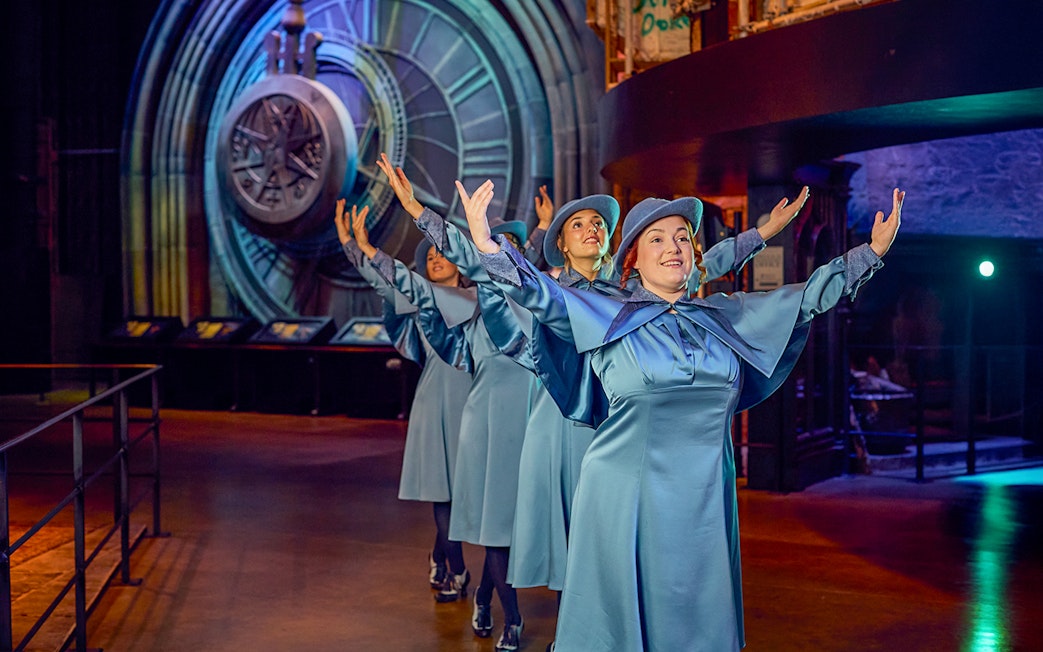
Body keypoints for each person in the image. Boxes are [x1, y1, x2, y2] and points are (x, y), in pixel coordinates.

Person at [460, 179, 904, 651]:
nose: (674, 247)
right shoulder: (604, 314)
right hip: (622, 495)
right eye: (657, 238)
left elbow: (807, 297)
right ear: (632, 259)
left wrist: (871, 252)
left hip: (705, 500)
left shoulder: (722, 316)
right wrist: (486, 246)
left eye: (682, 238)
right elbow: (537, 294)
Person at [375, 154, 537, 652]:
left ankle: (485, 596)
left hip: (531, 425)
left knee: (516, 526)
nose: (499, 250)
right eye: (492, 243)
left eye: (508, 244)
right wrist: (414, 215)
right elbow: (414, 286)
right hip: (483, 421)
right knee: (491, 526)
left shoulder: (540, 298)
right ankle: (507, 615)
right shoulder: (474, 302)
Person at [333, 200, 472, 601]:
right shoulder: (419, 298)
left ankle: (440, 552)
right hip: (435, 402)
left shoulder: (482, 300)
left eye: (443, 252)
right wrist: (352, 247)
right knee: (443, 491)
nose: (435, 258)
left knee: (470, 492)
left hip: (478, 404)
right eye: (428, 255)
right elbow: (384, 282)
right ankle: (457, 570)